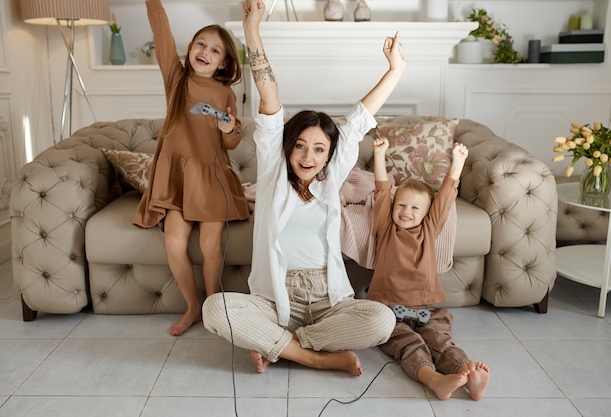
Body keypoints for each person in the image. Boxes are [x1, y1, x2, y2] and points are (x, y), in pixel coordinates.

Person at [202, 0, 404, 377]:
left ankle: (282, 346)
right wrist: (252, 31)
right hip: (273, 298)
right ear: (287, 145)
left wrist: (396, 69)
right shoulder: (273, 171)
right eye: (299, 145)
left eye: (319, 149)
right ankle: (316, 357)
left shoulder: (330, 181)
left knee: (382, 320)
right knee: (215, 309)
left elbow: (361, 118)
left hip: (328, 299)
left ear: (330, 155)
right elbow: (269, 94)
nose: (308, 157)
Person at [133, 0, 250, 337]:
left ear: (223, 62)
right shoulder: (176, 78)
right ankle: (193, 306)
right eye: (200, 44)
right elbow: (161, 32)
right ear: (189, 48)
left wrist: (229, 129)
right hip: (178, 180)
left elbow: (232, 143)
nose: (205, 51)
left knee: (211, 246)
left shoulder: (225, 92)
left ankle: (213, 302)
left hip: (212, 178)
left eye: (214, 50)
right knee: (174, 243)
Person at [367, 137, 490, 400]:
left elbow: (445, 198)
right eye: (400, 205)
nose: (406, 212)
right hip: (389, 313)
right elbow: (381, 189)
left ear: (426, 213)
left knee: (439, 340)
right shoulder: (385, 228)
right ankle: (434, 379)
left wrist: (458, 163)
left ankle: (467, 373)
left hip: (426, 311)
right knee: (409, 344)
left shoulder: (429, 230)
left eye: (414, 208)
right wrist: (379, 155)